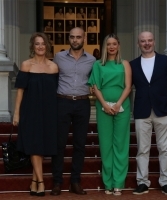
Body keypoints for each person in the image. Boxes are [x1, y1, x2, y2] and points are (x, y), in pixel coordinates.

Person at [130, 31, 167, 195]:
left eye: (149, 40)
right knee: (142, 149)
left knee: (165, 148)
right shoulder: (133, 64)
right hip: (142, 111)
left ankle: (165, 182)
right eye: (143, 41)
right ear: (138, 44)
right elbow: (128, 87)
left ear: (154, 42)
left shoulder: (166, 60)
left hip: (164, 110)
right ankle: (143, 182)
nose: (147, 43)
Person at [50, 27, 96, 196]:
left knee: (79, 144)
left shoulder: (92, 60)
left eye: (78, 37)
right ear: (69, 38)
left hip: (83, 104)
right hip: (62, 102)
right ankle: (57, 182)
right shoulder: (58, 57)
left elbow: (95, 81)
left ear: (84, 39)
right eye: (72, 37)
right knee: (59, 144)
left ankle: (75, 182)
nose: (75, 40)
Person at [12, 32, 58, 196]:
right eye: (37, 44)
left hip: (49, 112)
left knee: (41, 146)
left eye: (43, 44)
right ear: (33, 46)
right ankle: (41, 181)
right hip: (30, 111)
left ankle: (34, 182)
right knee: (34, 146)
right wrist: (16, 114)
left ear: (47, 46)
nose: (40, 46)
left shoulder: (53, 67)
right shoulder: (26, 65)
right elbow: (20, 92)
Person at [88, 33, 132, 195]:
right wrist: (105, 105)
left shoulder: (125, 64)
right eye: (108, 44)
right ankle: (108, 183)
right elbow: (95, 87)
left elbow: (128, 86)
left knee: (121, 144)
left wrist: (119, 103)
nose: (112, 47)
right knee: (106, 145)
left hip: (122, 105)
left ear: (119, 45)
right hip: (103, 107)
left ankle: (118, 183)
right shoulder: (98, 65)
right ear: (104, 47)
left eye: (114, 44)